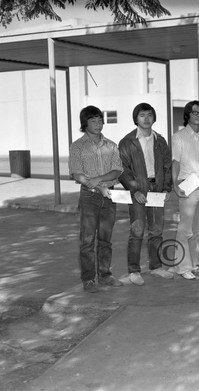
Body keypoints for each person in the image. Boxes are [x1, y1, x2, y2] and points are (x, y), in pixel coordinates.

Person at [69, 105, 123, 293]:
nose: (98, 123)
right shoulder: (78, 146)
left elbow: (118, 170)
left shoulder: (111, 145)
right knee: (87, 240)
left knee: (106, 239)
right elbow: (77, 174)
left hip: (109, 195)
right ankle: (89, 279)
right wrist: (97, 186)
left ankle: (105, 274)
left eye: (100, 120)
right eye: (93, 120)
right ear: (85, 123)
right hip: (88, 197)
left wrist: (99, 180)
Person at [118, 103, 173, 286]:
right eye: (142, 115)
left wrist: (166, 188)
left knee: (157, 230)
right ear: (136, 118)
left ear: (154, 117)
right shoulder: (127, 142)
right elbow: (123, 169)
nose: (146, 118)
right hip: (138, 191)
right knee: (137, 230)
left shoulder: (160, 141)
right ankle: (134, 271)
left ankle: (156, 267)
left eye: (149, 115)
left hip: (156, 189)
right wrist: (134, 190)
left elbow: (167, 166)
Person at [171, 100, 199, 280]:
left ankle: (195, 263)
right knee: (185, 229)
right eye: (194, 112)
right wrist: (175, 185)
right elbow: (175, 162)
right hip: (188, 185)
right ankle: (182, 267)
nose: (198, 115)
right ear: (187, 115)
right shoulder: (179, 136)